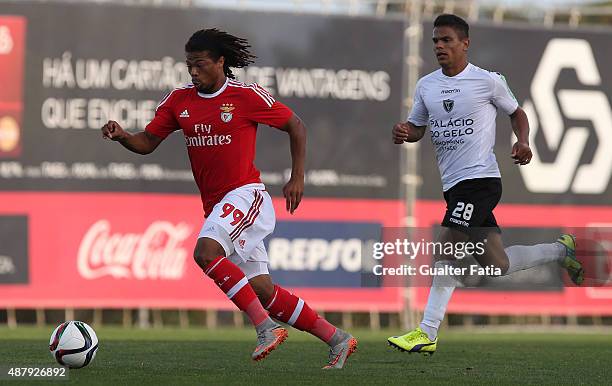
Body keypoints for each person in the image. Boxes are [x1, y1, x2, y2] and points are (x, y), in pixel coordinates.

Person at [101, 28, 357, 369]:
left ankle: (266, 329)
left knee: (205, 252)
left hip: (247, 196)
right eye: (189, 65)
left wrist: (297, 177)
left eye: (200, 64)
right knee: (264, 291)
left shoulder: (245, 96)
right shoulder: (179, 100)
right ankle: (337, 339)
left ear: (221, 62)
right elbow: (147, 142)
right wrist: (123, 137)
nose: (193, 71)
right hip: (219, 208)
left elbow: (296, 125)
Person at [387, 14, 584, 355]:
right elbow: (418, 127)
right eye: (435, 40)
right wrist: (406, 132)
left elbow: (517, 112)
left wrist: (523, 141)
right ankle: (561, 250)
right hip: (455, 186)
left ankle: (427, 331)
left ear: (465, 43)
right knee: (497, 265)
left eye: (446, 40)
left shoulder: (487, 81)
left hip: (481, 180)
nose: (439, 46)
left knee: (447, 244)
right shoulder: (426, 86)